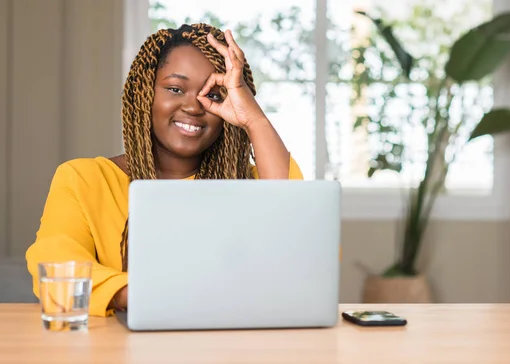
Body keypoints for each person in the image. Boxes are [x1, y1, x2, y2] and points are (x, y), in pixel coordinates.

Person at [25, 23, 303, 317]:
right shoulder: (85, 180)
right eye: (175, 88)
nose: (194, 107)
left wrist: (254, 120)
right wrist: (139, 294)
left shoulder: (250, 182)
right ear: (145, 94)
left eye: (215, 94)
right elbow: (55, 261)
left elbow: (297, 238)